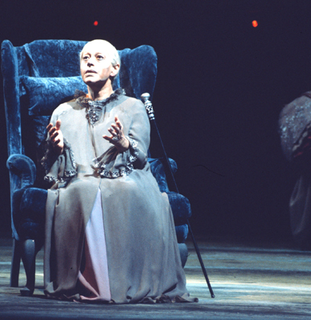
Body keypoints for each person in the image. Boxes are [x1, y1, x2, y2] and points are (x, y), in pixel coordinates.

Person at [41, 39, 196, 303]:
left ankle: (118, 284)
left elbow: (140, 155)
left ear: (114, 68)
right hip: (80, 178)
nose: (89, 62)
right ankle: (94, 283)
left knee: (117, 190)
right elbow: (51, 168)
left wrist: (125, 143)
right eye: (85, 58)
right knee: (82, 188)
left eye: (98, 57)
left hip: (128, 177)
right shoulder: (63, 111)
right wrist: (55, 149)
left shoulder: (133, 106)